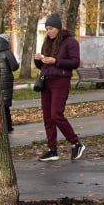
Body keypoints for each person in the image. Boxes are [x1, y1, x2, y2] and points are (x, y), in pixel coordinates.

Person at [36, 13, 85, 161]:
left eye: (51, 28)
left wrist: (56, 61)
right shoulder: (47, 42)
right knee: (47, 117)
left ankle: (76, 143)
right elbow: (42, 65)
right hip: (46, 81)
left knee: (56, 114)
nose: (48, 31)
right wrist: (38, 60)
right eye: (47, 29)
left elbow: (75, 63)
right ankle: (52, 149)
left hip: (60, 81)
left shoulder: (70, 42)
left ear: (58, 28)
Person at [0, 34, 20, 133]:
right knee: (5, 104)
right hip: (6, 80)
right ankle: (8, 126)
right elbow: (14, 67)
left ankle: (3, 126)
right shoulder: (7, 52)